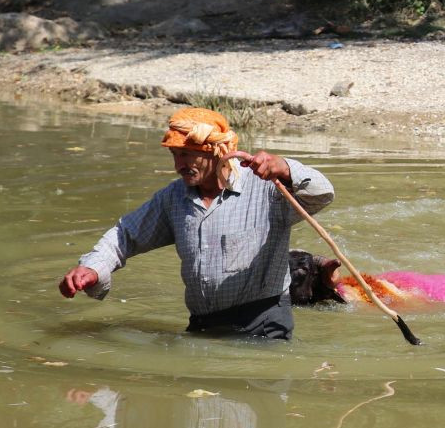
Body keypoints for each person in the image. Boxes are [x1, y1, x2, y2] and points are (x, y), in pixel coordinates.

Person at [58, 106, 334, 340]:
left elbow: (322, 193)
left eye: (187, 155)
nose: (179, 165)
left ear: (217, 151)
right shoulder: (173, 198)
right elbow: (124, 235)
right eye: (175, 155)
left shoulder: (267, 190)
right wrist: (92, 267)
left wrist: (285, 167)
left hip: (264, 325)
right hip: (202, 326)